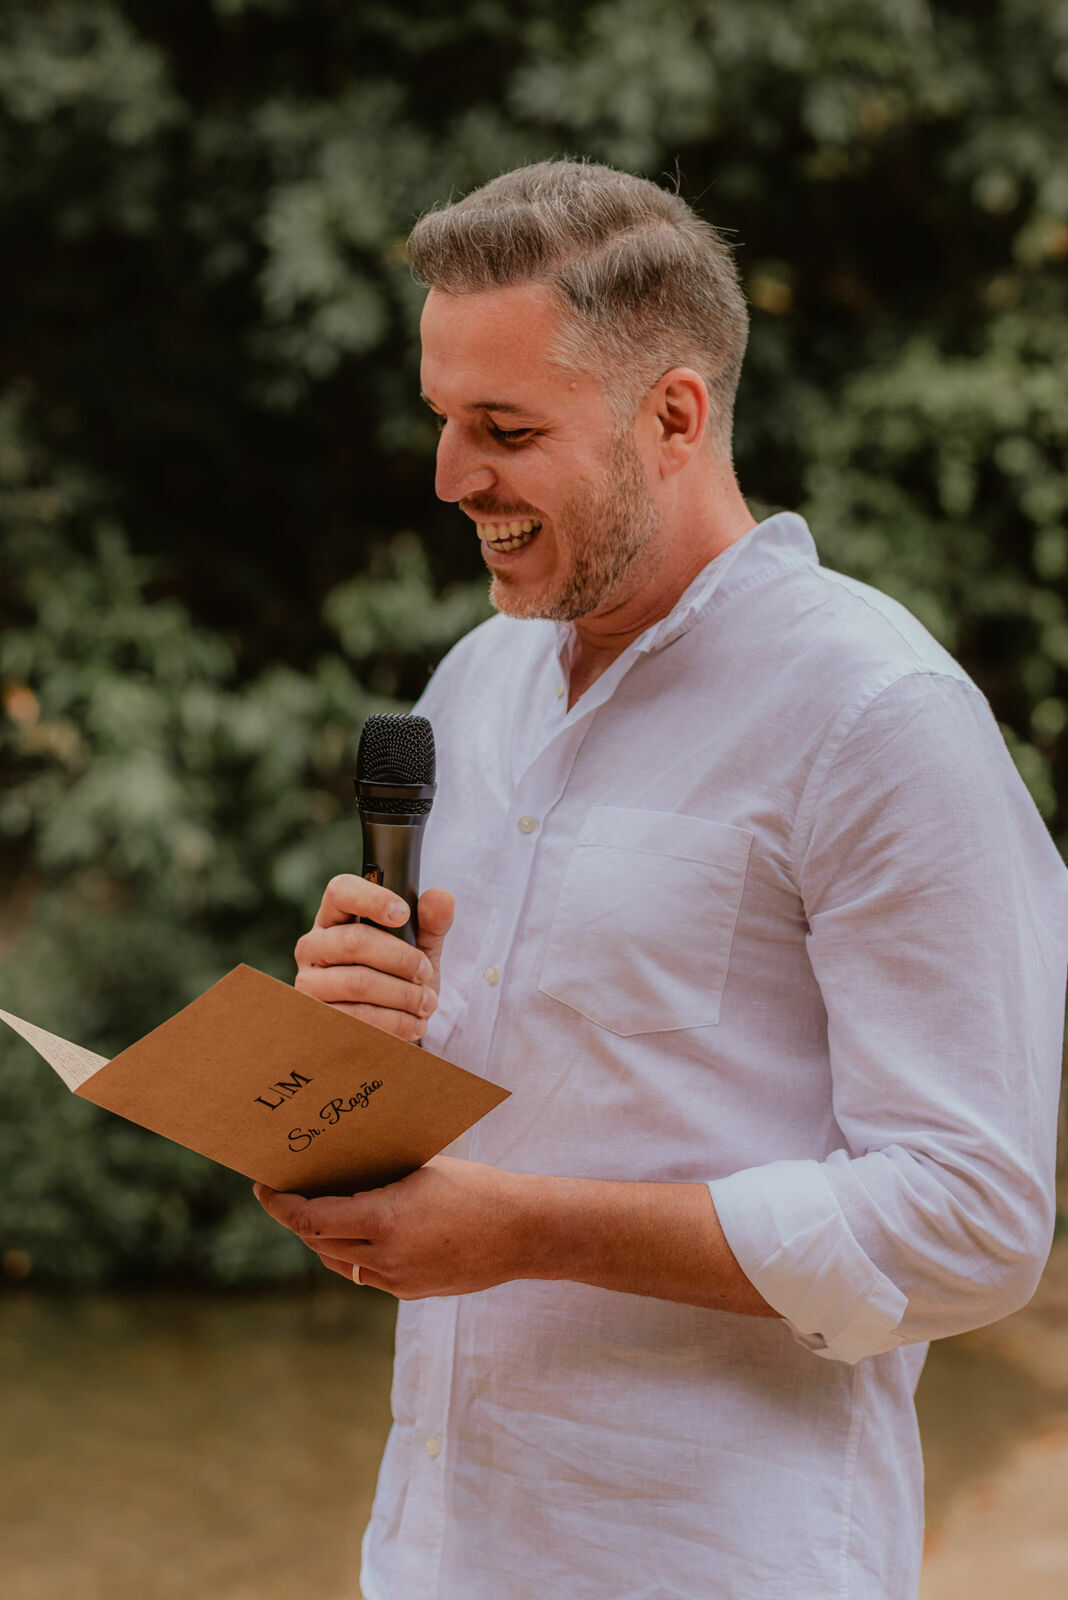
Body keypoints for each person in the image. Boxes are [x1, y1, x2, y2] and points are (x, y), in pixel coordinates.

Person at [255, 161, 1068, 1599]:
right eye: (442, 421)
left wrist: (522, 1231)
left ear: (674, 417)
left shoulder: (879, 719)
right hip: (434, 1555)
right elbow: (504, 1094)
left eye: (503, 429)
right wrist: (358, 1044)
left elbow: (976, 1223)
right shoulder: (472, 685)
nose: (451, 478)